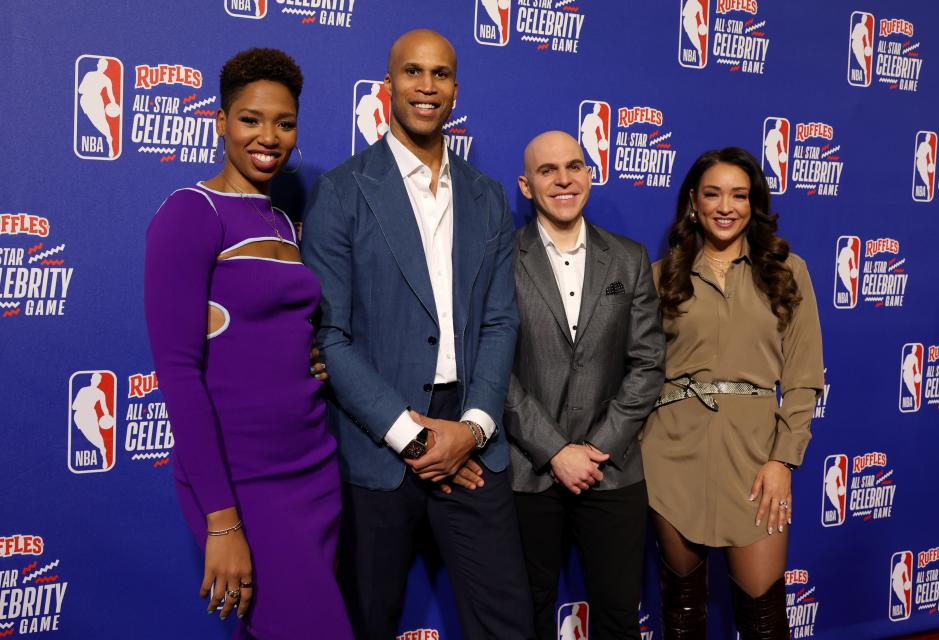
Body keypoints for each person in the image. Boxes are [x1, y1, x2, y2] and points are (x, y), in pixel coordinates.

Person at [302, 29, 534, 640]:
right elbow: (331, 335)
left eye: (440, 74)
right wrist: (411, 436)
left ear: (455, 89)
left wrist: (473, 426)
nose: (426, 86)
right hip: (377, 440)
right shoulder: (343, 191)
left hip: (471, 433)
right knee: (366, 621)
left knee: (508, 622)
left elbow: (498, 320)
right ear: (388, 87)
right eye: (412, 72)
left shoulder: (486, 195)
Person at [144, 48, 351, 639]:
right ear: (220, 122)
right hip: (243, 480)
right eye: (251, 119)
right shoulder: (192, 212)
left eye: (285, 124)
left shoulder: (284, 222)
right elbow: (179, 373)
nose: (269, 137)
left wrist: (309, 359)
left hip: (312, 465)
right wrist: (222, 521)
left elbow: (280, 328)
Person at [641, 147, 823, 639]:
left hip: (755, 457)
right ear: (693, 204)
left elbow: (804, 379)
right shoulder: (662, 276)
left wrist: (782, 461)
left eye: (739, 195)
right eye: (713, 194)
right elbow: (639, 374)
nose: (726, 206)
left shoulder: (788, 272)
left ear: (753, 203)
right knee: (681, 610)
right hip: (671, 453)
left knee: (764, 617)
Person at [506, 131, 664, 639]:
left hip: (611, 470)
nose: (564, 179)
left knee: (618, 613)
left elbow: (648, 363)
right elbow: (493, 372)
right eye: (547, 171)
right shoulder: (499, 260)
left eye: (574, 166)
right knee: (527, 612)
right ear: (527, 186)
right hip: (528, 470)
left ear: (590, 176)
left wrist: (595, 448)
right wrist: (555, 451)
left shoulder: (629, 258)